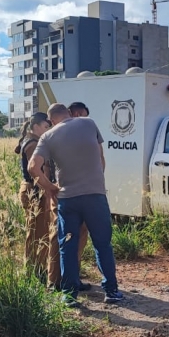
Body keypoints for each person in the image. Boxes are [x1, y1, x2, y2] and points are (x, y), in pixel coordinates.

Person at [29, 103, 124, 306]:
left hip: (67, 199)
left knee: (67, 247)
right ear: (69, 113)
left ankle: (69, 295)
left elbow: (33, 167)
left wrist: (50, 187)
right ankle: (111, 291)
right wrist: (96, 180)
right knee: (102, 245)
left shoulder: (48, 136)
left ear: (51, 119)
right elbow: (101, 158)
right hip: (95, 196)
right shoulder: (88, 123)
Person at [15, 113, 60, 288]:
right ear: (35, 126)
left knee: (38, 230)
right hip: (35, 190)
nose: (47, 130)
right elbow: (37, 170)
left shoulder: (32, 140)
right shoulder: (33, 143)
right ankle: (35, 270)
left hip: (35, 189)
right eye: (45, 127)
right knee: (36, 232)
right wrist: (49, 187)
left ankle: (37, 269)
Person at [67, 102, 91, 263]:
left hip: (69, 190)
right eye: (84, 116)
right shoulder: (73, 134)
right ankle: (71, 275)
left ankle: (69, 275)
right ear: (77, 114)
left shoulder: (58, 133)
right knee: (78, 232)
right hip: (76, 190)